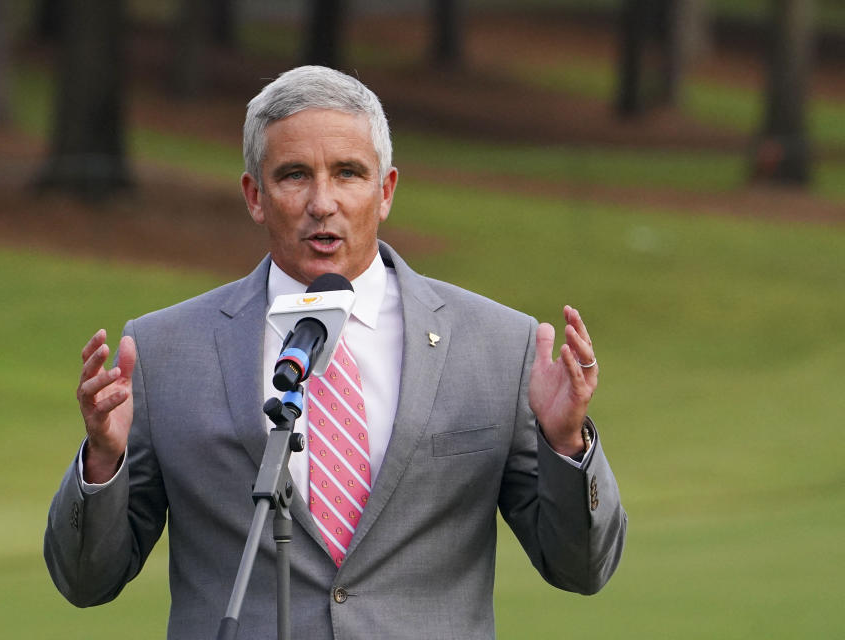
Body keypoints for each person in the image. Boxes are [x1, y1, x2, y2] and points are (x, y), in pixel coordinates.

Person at [45, 65, 627, 639]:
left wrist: (565, 445)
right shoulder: (165, 351)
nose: (322, 202)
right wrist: (103, 461)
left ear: (386, 191)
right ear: (255, 196)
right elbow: (86, 580)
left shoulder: (497, 345)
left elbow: (581, 568)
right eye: (294, 175)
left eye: (348, 173)